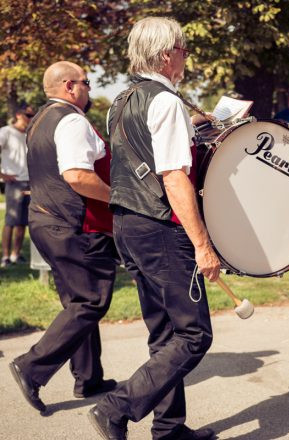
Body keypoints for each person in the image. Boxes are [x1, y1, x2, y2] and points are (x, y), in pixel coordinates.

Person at [87, 17, 220, 440]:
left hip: (127, 223)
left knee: (165, 331)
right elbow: (173, 177)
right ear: (167, 55)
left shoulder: (121, 101)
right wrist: (202, 243)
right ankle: (116, 407)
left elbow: (138, 153)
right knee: (195, 334)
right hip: (161, 227)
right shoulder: (166, 102)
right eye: (183, 48)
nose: (186, 56)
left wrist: (194, 130)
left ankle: (169, 428)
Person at [9, 61, 118, 412]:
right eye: (86, 82)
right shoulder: (71, 120)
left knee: (77, 302)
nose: (89, 89)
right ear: (70, 86)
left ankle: (89, 378)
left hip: (44, 221)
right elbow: (76, 176)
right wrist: (119, 197)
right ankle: (31, 366)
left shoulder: (40, 120)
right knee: (90, 301)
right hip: (73, 225)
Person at [0, 105, 35, 267]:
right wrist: (2, 175)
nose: (31, 118)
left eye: (32, 115)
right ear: (18, 115)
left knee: (23, 222)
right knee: (11, 220)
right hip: (14, 182)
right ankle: (5, 257)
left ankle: (16, 254)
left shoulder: (30, 134)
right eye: (28, 115)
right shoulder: (6, 132)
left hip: (30, 181)